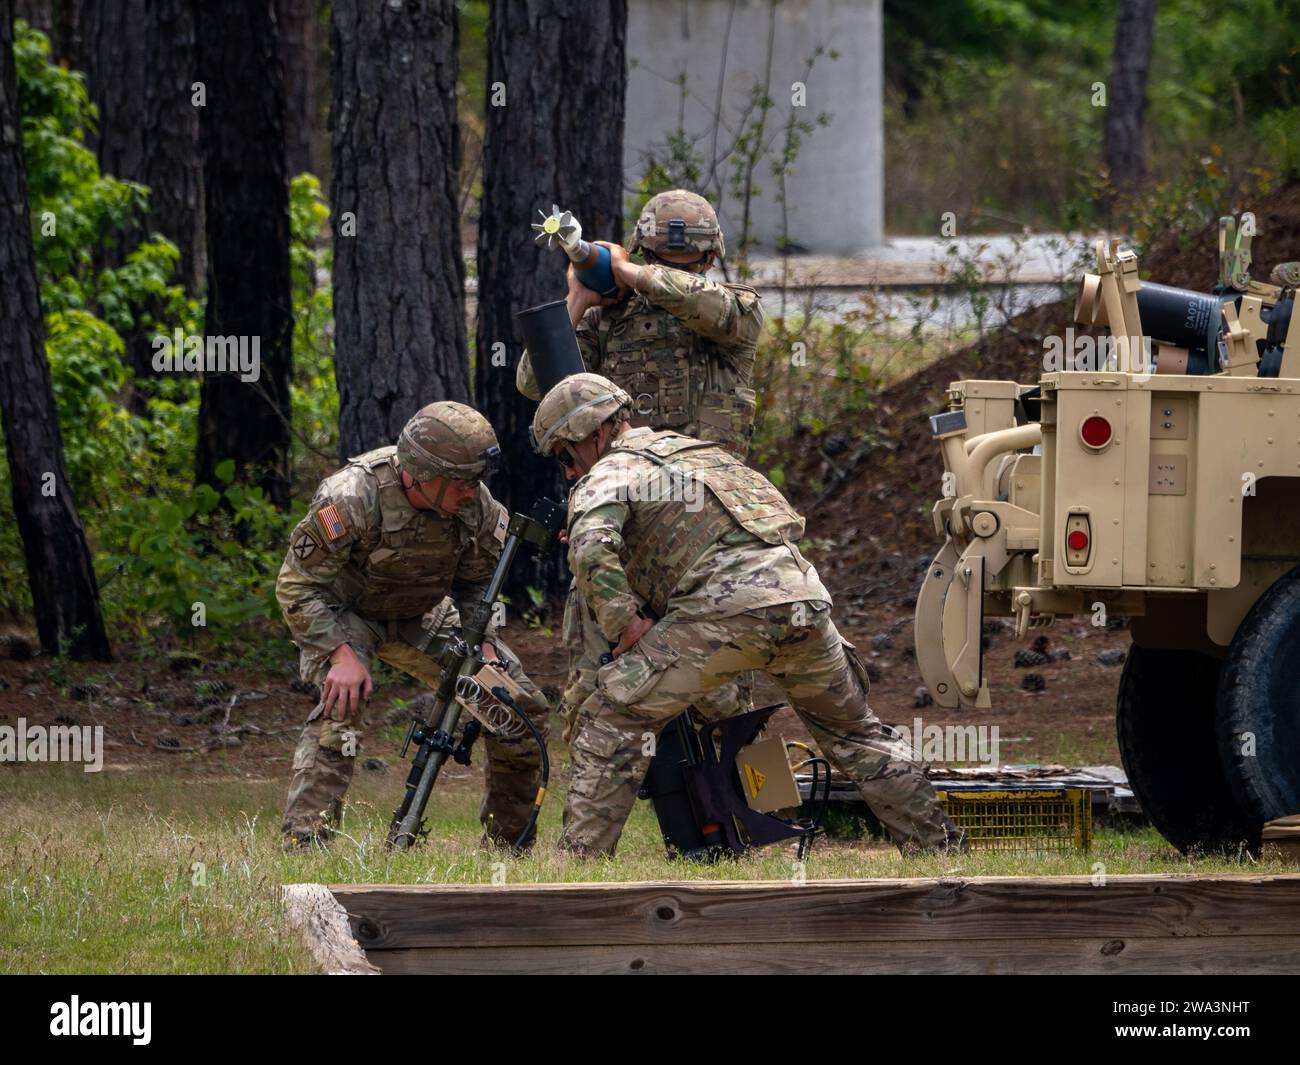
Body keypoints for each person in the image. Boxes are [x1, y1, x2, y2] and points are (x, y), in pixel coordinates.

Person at [532, 374, 962, 857]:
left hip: (724, 614)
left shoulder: (612, 469)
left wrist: (626, 625)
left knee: (612, 718)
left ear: (593, 434)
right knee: (846, 733)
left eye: (565, 457)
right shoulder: (699, 453)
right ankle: (937, 852)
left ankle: (578, 863)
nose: (568, 473)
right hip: (801, 600)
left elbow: (591, 547)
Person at [517, 189, 762, 739]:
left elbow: (711, 309)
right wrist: (578, 299)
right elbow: (537, 386)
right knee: (593, 686)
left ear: (709, 261)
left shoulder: (734, 311)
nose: (668, 273)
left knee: (723, 702)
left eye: (683, 264)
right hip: (622, 524)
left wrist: (631, 272)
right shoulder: (610, 322)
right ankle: (595, 813)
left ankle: (743, 814)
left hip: (706, 529)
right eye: (659, 261)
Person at [278, 401, 548, 849]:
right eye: (462, 482)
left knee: (514, 701)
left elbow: (477, 582)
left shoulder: (477, 506)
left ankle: (509, 845)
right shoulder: (351, 497)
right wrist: (339, 655)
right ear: (423, 473)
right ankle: (306, 842)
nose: (472, 492)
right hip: (346, 612)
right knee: (340, 710)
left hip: (422, 611)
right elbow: (296, 586)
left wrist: (484, 646)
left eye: (477, 480)